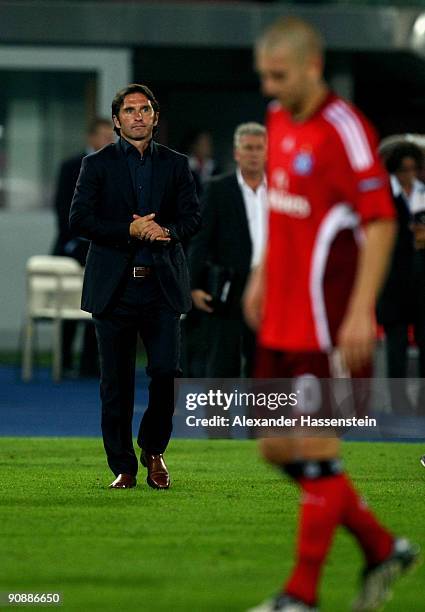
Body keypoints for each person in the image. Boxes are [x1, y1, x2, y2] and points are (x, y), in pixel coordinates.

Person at [244, 17, 419, 612]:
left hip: (326, 321)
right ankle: (380, 546)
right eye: (263, 76)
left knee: (316, 449)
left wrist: (359, 312)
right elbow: (280, 206)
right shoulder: (276, 120)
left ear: (312, 68)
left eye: (280, 75)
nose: (270, 87)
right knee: (274, 447)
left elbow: (380, 221)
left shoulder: (345, 130)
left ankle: (301, 595)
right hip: (281, 318)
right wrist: (261, 273)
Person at [69, 84, 200, 490]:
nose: (138, 116)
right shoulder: (96, 165)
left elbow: (193, 218)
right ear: (116, 119)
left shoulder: (177, 165)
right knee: (116, 384)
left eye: (145, 110)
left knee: (166, 373)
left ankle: (153, 448)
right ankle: (123, 466)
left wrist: (166, 231)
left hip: (161, 286)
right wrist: (129, 229)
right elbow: (80, 220)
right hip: (115, 288)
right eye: (130, 110)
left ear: (155, 117)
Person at [189, 122, 267, 378]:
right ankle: (217, 420)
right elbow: (200, 240)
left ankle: (264, 419)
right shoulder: (218, 188)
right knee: (222, 365)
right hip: (228, 288)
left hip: (271, 287)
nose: (254, 154)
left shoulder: (281, 189)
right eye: (248, 148)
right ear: (237, 153)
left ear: (268, 151)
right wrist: (193, 286)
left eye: (259, 148)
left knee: (265, 367)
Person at [52, 117, 115, 376]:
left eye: (111, 136)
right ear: (91, 137)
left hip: (105, 247)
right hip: (72, 245)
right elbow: (62, 207)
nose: (108, 140)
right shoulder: (70, 166)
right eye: (103, 135)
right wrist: (81, 237)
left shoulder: (120, 167)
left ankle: (90, 362)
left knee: (98, 303)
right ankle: (64, 357)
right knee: (68, 303)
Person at [377, 142, 425, 416]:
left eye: (413, 169)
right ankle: (398, 403)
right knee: (396, 345)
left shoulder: (423, 194)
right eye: (403, 169)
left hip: (421, 280)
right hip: (392, 281)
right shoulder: (383, 197)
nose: (409, 174)